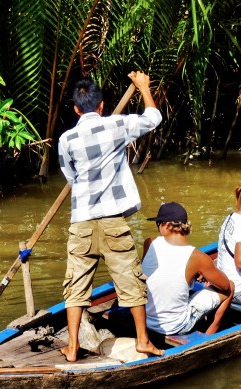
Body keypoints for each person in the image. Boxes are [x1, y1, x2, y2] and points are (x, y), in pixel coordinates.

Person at [58, 72, 164, 362]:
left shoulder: (66, 139)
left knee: (76, 287)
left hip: (81, 222)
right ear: (102, 106)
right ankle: (143, 341)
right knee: (130, 281)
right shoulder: (118, 125)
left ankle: (71, 348)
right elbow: (153, 118)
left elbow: (70, 176)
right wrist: (143, 87)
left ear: (76, 109)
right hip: (112, 221)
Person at [142, 202, 235, 336]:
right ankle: (210, 335)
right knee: (231, 287)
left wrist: (195, 272)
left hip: (146, 320)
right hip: (175, 326)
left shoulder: (149, 242)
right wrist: (201, 271)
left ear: (167, 225)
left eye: (158, 224)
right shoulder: (197, 257)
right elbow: (225, 285)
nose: (158, 228)